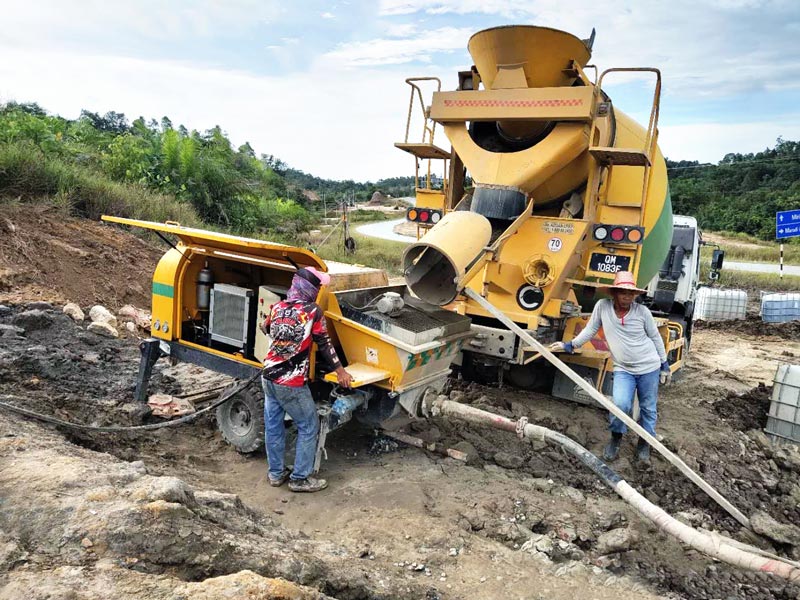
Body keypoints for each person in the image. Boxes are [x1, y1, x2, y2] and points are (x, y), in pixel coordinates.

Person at [548, 271, 671, 464]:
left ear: (635, 295)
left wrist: (664, 364)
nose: (627, 297)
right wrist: (570, 345)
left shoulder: (642, 312)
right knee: (621, 404)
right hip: (623, 368)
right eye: (623, 292)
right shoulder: (603, 307)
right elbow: (590, 329)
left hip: (649, 367)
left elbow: (655, 337)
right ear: (614, 293)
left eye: (631, 293)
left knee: (648, 408)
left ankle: (645, 443)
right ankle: (616, 438)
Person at [260, 267, 352, 492]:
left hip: (268, 376)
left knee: (273, 426)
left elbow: (266, 327)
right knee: (308, 424)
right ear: (309, 288)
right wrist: (341, 371)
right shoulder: (312, 311)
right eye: (317, 287)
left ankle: (276, 473)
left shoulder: (279, 306)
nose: (318, 291)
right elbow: (325, 344)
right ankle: (300, 478)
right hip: (289, 382)